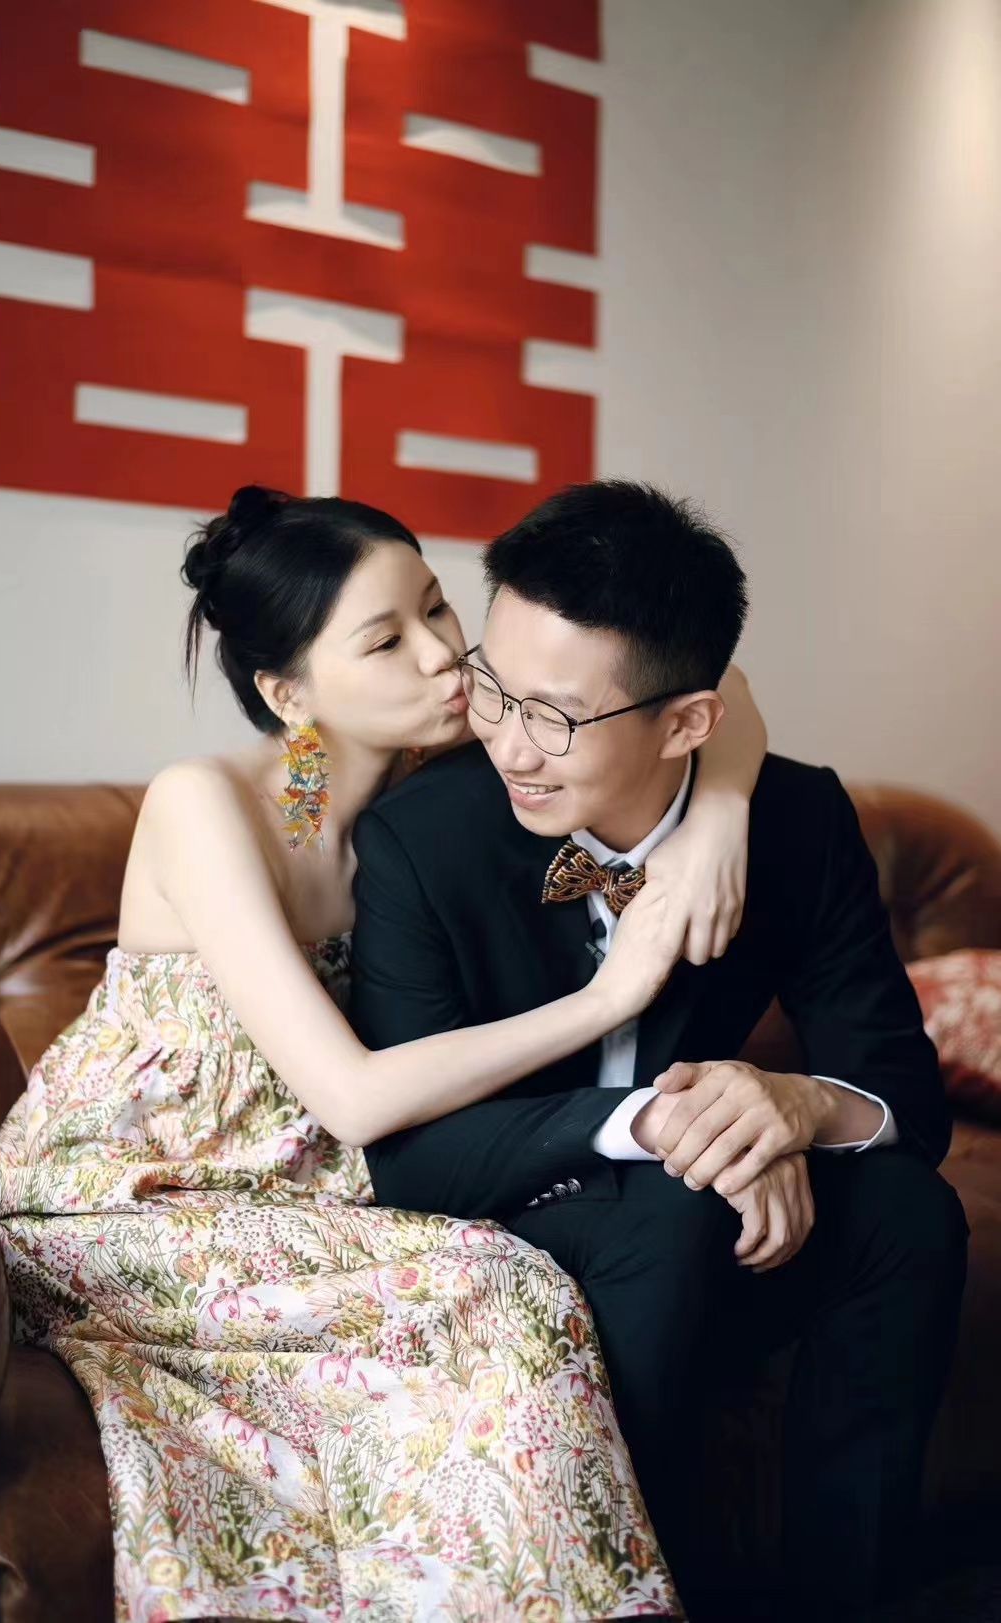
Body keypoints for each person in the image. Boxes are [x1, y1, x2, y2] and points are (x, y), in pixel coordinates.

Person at [0, 482, 770, 1623]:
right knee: (495, 1283)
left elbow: (716, 690)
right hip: (121, 1199)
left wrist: (717, 826)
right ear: (288, 692)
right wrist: (613, 993)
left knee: (512, 1284)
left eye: (438, 608)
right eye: (386, 639)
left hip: (299, 1194)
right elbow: (351, 1099)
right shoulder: (207, 805)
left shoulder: (414, 792)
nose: (446, 655)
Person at [349, 479, 969, 1623]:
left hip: (687, 1230)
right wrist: (670, 1129)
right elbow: (409, 1161)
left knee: (909, 1214)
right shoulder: (419, 837)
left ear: (688, 725)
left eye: (554, 717)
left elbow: (903, 1099)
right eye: (492, 687)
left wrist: (788, 1107)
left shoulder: (795, 823)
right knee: (673, 1212)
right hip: (513, 1219)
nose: (507, 743)